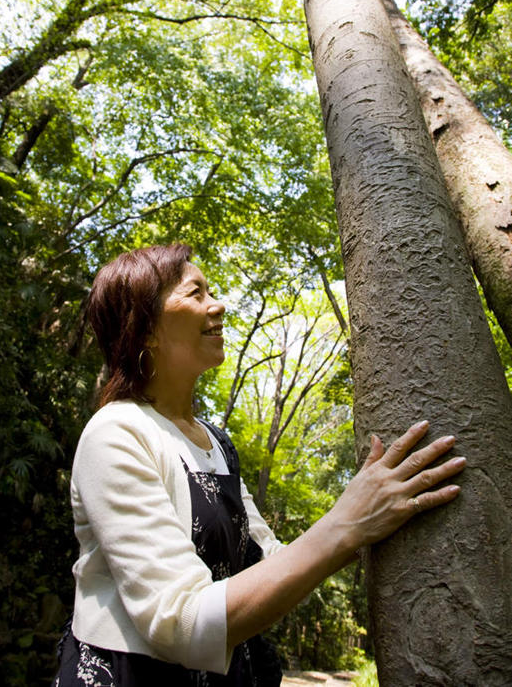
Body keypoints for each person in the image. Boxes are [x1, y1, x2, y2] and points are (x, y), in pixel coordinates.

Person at [53, 243, 466, 686]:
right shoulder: (116, 434)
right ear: (146, 328)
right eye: (196, 294)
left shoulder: (215, 441)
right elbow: (179, 622)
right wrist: (347, 524)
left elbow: (269, 561)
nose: (219, 304)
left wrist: (375, 513)